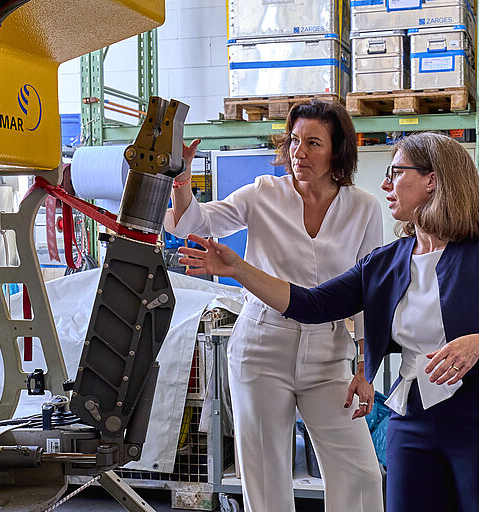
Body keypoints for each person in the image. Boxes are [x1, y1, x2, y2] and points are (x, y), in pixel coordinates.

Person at [178, 132, 479, 512]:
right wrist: (238, 268)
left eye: (396, 173)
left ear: (432, 180)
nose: (385, 184)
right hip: (413, 419)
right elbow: (311, 303)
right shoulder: (385, 262)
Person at [165, 99, 384, 512]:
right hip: (261, 346)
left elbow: (368, 295)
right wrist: (181, 179)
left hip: (329, 353)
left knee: (360, 474)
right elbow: (193, 224)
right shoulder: (264, 192)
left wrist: (365, 368)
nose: (299, 153)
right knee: (265, 479)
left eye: (314, 143)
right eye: (295, 140)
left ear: (338, 150)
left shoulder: (363, 207)